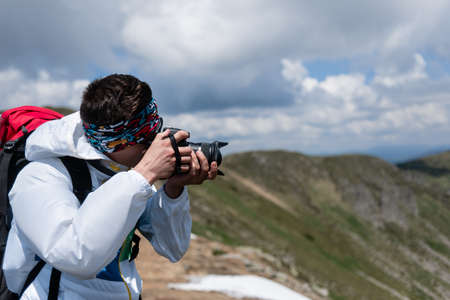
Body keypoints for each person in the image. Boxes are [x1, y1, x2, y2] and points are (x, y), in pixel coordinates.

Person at [2, 74, 217, 299]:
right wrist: (145, 173)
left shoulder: (123, 171)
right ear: (115, 142)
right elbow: (75, 257)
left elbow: (173, 248)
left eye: (156, 129)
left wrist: (173, 190)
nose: (153, 144)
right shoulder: (40, 176)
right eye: (144, 139)